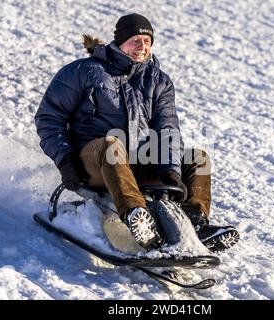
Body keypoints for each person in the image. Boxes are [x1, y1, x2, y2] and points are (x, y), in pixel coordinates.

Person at [35, 13, 239, 252]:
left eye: (147, 41)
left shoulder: (158, 81)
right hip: (93, 162)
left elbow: (167, 129)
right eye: (135, 40)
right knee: (111, 145)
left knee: (198, 158)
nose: (142, 46)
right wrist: (66, 160)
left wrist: (171, 173)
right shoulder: (84, 71)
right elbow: (49, 118)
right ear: (120, 41)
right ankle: (138, 218)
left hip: (137, 164)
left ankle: (195, 224)